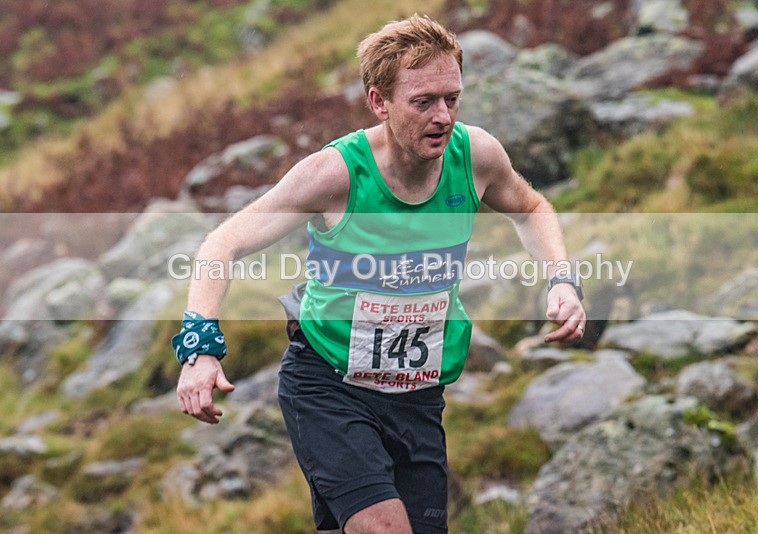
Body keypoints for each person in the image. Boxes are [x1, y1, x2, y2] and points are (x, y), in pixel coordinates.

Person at [174, 14, 585, 534]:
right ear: (379, 102)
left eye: (451, 99)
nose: (442, 117)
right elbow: (222, 243)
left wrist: (562, 281)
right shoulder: (335, 175)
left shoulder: (475, 156)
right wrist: (200, 347)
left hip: (417, 396)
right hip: (329, 388)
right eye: (423, 102)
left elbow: (530, 208)